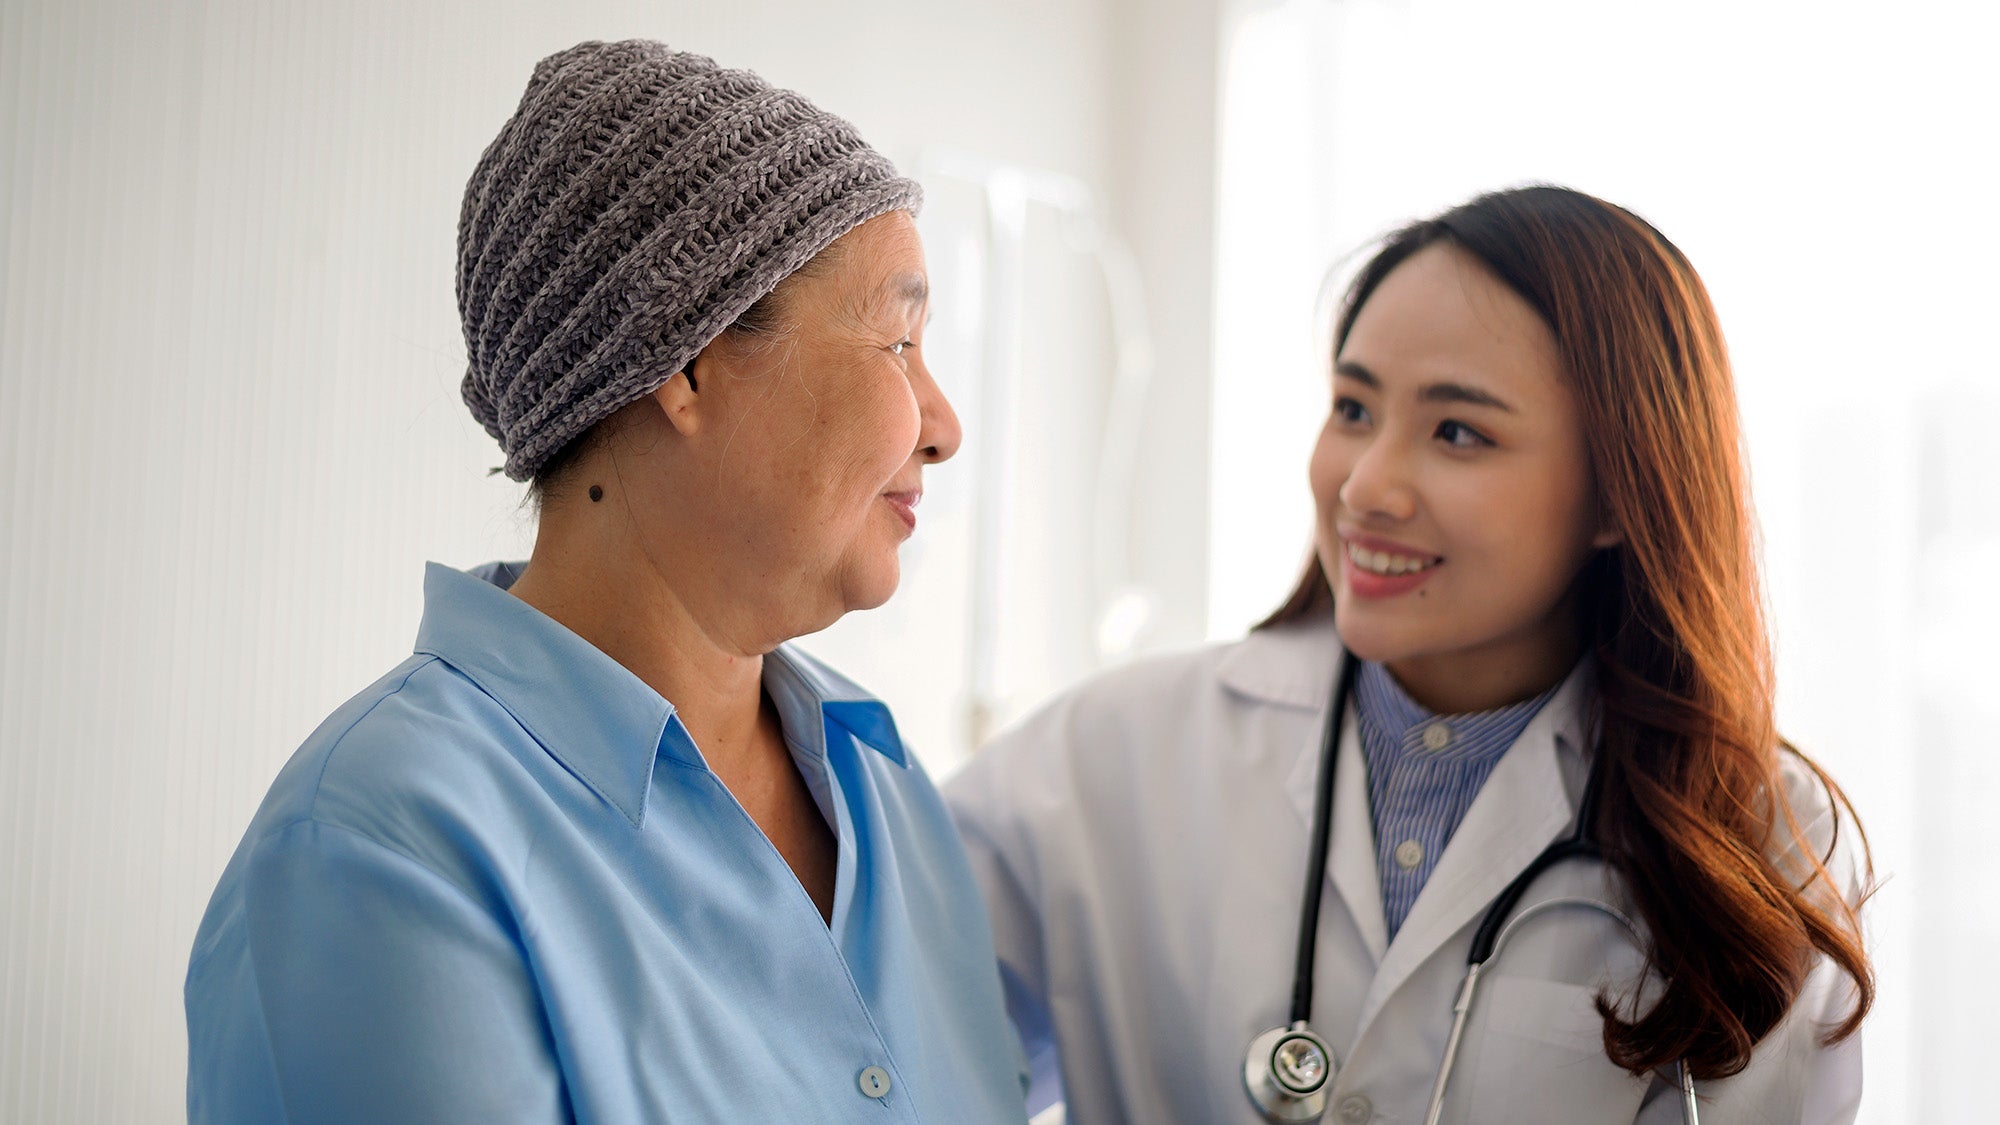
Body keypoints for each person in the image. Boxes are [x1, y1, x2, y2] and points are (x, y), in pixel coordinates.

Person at [186, 40, 1026, 1123]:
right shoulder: (378, 840)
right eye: (898, 342)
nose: (945, 426)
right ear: (688, 362)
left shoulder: (885, 785)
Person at [946, 185, 1873, 1124]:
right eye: (1353, 407)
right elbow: (873, 1046)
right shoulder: (1106, 754)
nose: (1366, 485)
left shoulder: (1760, 842)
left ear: (1616, 494)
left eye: (1458, 431)